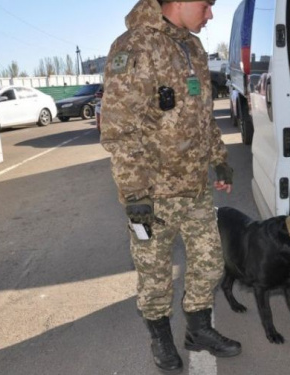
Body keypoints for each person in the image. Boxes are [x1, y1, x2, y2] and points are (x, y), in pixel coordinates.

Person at [99, 0, 241, 373]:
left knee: (211, 264)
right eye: (206, 5)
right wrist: (134, 195)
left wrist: (218, 158)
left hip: (194, 189)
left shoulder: (191, 47)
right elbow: (118, 130)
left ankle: (198, 330)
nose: (210, 15)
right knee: (155, 276)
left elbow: (203, 115)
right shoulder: (133, 47)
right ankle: (160, 339)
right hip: (151, 196)